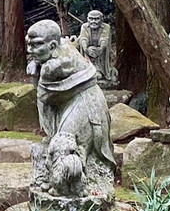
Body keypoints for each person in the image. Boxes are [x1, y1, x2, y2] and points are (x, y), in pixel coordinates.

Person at [26, 19, 115, 198]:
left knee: (66, 147)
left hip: (85, 103)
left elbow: (44, 95)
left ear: (52, 46)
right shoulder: (61, 46)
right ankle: (59, 183)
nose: (29, 50)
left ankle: (72, 189)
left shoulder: (54, 65)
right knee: (59, 144)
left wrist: (35, 73)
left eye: (35, 45)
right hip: (72, 100)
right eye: (29, 44)